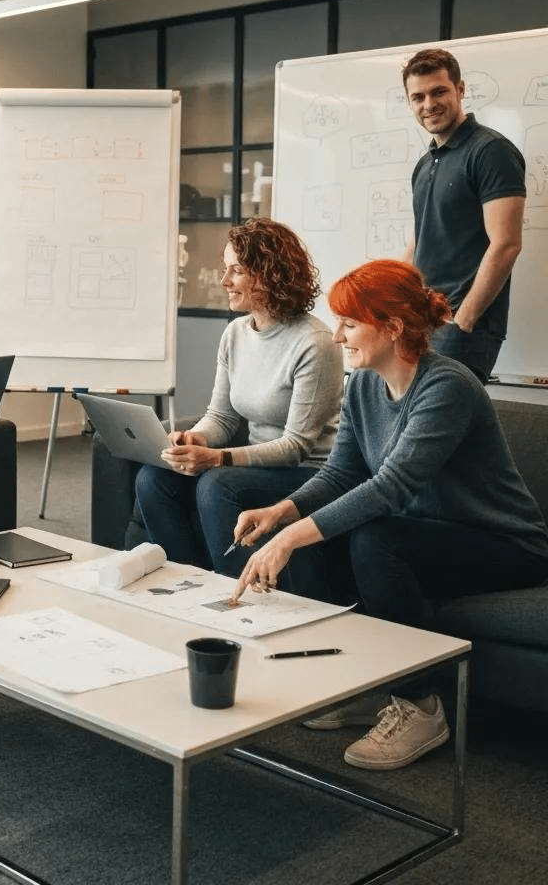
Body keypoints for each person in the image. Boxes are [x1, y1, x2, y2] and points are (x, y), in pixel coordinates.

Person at [230, 259, 548, 771]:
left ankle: (422, 704)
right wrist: (282, 513)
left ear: (393, 327)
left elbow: (391, 487)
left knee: (374, 540)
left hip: (505, 544)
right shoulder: (362, 385)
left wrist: (290, 540)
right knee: (325, 535)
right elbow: (341, 474)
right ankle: (365, 681)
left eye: (350, 323)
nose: (337, 337)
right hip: (432, 533)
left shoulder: (448, 387)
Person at [133, 218, 344, 596]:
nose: (224, 280)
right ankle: (189, 586)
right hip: (259, 464)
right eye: (224, 268)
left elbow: (296, 447)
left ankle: (238, 597)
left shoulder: (316, 343)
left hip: (308, 472)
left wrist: (216, 458)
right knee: (155, 477)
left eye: (236, 270)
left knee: (218, 485)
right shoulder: (235, 334)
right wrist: (194, 438)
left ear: (269, 276)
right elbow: (222, 416)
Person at [402, 47, 526, 382]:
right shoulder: (426, 163)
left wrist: (465, 317)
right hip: (422, 320)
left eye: (439, 91)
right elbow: (419, 240)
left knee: (441, 427)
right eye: (418, 97)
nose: (429, 104)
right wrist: (398, 301)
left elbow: (507, 244)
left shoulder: (490, 152)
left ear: (460, 89)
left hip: (460, 326)